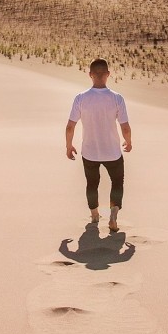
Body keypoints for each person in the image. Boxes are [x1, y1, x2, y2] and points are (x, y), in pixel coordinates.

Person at [65, 58, 132, 232]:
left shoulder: (81, 98)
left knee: (92, 184)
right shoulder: (117, 98)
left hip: (90, 152)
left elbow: (70, 126)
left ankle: (95, 215)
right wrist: (129, 141)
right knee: (117, 182)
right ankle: (113, 216)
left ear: (90, 75)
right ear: (108, 75)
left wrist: (68, 146)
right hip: (113, 152)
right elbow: (125, 126)